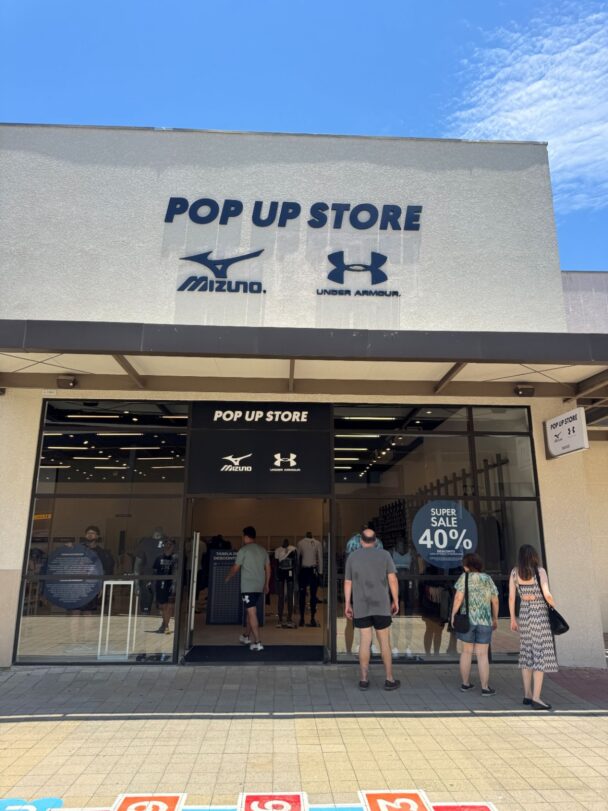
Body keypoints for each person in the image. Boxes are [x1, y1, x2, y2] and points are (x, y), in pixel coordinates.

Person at [344, 527, 400, 691]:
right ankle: (389, 679)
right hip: (381, 605)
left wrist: (347, 604)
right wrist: (396, 600)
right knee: (385, 643)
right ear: (375, 541)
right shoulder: (385, 555)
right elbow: (392, 579)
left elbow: (348, 582)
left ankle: (363, 679)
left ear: (361, 541)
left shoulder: (353, 557)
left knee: (364, 642)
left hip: (361, 606)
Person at [509, 544, 558, 710]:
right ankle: (537, 698)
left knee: (527, 654)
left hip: (524, 614)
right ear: (534, 556)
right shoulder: (540, 571)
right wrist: (553, 605)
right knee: (540, 655)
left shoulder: (514, 572)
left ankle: (527, 695)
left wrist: (513, 619)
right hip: (539, 616)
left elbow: (511, 598)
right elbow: (547, 594)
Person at [451, 553, 499, 696]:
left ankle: (465, 684)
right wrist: (495, 618)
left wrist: (453, 614)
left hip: (468, 620)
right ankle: (485, 688)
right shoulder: (487, 578)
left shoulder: (464, 577)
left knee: (466, 652)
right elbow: (495, 600)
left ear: (467, 566)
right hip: (485, 621)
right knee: (482, 655)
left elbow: (458, 598)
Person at [225, 526, 270, 652]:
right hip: (259, 586)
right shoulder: (263, 550)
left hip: (248, 587)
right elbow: (268, 569)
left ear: (245, 536)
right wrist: (266, 584)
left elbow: (236, 567)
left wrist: (228, 577)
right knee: (250, 611)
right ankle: (246, 636)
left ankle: (258, 642)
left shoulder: (243, 550)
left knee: (252, 612)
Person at [297, 531, 323, 627]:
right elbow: (320, 558)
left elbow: (298, 558)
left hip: (308, 571)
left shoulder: (301, 543)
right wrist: (320, 572)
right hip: (309, 571)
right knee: (308, 595)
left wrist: (320, 572)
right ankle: (304, 618)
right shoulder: (316, 543)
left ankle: (309, 617)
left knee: (308, 596)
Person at [153, 538, 178, 634]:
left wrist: (174, 585)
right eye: (166, 544)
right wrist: (153, 583)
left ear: (173, 546)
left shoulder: (176, 558)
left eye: (170, 544)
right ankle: (164, 623)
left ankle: (165, 625)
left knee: (169, 606)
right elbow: (154, 572)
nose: (168, 546)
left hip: (171, 585)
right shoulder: (158, 558)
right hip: (160, 585)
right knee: (162, 606)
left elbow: (177, 572)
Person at [274, 539, 297, 628]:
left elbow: (295, 563)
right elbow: (276, 564)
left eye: (287, 542)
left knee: (290, 596)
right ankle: (280, 617)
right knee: (281, 596)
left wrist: (295, 574)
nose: (286, 543)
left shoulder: (293, 549)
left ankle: (289, 617)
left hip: (290, 572)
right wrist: (276, 575)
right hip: (281, 572)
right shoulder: (278, 550)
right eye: (284, 542)